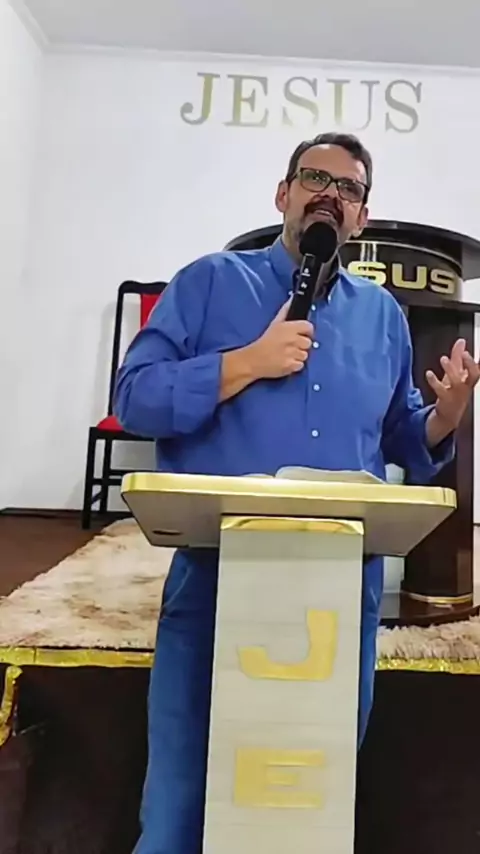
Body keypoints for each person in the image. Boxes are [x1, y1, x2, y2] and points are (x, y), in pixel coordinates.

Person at [114, 132, 479, 854]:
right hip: (220, 574)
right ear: (283, 194)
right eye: (315, 178)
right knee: (183, 804)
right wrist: (245, 363)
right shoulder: (209, 282)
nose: (330, 195)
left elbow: (400, 438)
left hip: (337, 591)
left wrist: (443, 417)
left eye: (349, 189)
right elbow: (136, 399)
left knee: (306, 801)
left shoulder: (382, 317)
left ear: (361, 217)